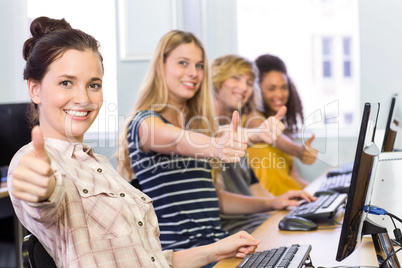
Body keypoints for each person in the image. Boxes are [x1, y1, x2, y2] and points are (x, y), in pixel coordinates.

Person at [7, 16, 260, 268]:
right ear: (35, 89)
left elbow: (150, 261)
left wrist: (217, 250)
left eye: (93, 85)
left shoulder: (101, 166)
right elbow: (44, 198)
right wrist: (40, 187)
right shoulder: (34, 162)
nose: (83, 97)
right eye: (66, 83)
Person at [118, 30, 315, 251]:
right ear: (160, 66)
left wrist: (273, 202)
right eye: (183, 63)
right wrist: (217, 146)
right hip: (185, 254)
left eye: (199, 66)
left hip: (219, 246)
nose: (193, 72)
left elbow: (213, 199)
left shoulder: (196, 128)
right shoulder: (145, 124)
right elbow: (178, 141)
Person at [211, 54, 316, 234]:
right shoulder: (213, 130)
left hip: (259, 220)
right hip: (238, 230)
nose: (244, 87)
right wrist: (298, 151)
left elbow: (258, 191)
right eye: (236, 78)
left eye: (249, 83)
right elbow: (220, 137)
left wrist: (284, 204)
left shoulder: (239, 131)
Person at [245, 53, 317, 196]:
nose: (279, 94)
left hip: (291, 204)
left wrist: (321, 192)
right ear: (257, 89)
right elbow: (270, 134)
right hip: (272, 209)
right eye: (271, 88)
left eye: (283, 87)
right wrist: (299, 151)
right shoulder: (252, 119)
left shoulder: (280, 126)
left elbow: (295, 180)